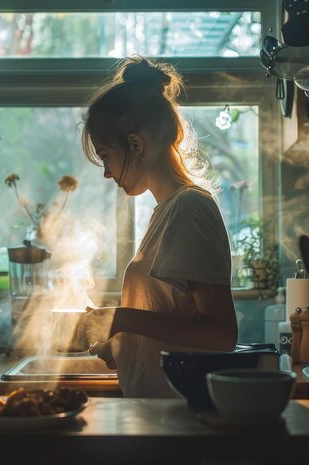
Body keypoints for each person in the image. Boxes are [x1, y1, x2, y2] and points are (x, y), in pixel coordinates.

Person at [79, 55, 238, 398]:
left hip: (179, 418)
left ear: (135, 144)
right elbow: (171, 322)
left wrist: (119, 319)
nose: (106, 172)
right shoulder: (167, 210)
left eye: (105, 155)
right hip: (155, 413)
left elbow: (221, 335)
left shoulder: (189, 207)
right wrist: (120, 346)